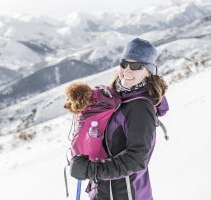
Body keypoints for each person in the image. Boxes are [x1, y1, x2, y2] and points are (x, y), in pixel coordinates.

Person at [70, 38, 169, 200]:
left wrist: (91, 170)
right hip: (105, 191)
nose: (128, 71)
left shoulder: (140, 107)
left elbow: (137, 159)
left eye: (136, 66)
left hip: (126, 194)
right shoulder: (115, 98)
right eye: (124, 64)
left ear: (148, 71)